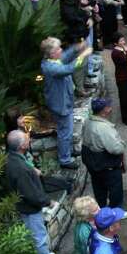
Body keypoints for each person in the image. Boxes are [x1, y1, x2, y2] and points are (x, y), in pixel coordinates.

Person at [6, 130, 66, 254]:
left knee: (37, 235)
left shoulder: (12, 159)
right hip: (29, 208)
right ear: (21, 146)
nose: (29, 139)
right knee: (39, 237)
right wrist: (48, 201)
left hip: (24, 206)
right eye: (26, 139)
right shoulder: (20, 168)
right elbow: (30, 193)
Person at [41, 37, 92, 170]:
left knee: (66, 130)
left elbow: (65, 56)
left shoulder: (53, 60)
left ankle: (68, 151)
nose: (61, 50)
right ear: (52, 53)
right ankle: (65, 159)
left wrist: (76, 48)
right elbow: (70, 68)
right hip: (60, 105)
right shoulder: (51, 67)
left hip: (64, 101)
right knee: (65, 132)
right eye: (58, 49)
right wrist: (83, 55)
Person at [82, 98, 127, 208]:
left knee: (98, 187)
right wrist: (122, 144)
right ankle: (115, 211)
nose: (111, 108)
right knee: (115, 189)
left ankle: (101, 208)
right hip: (107, 165)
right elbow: (116, 149)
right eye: (108, 107)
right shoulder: (103, 128)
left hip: (93, 163)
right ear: (103, 111)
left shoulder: (88, 121)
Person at [109, 34, 127, 126]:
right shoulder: (115, 53)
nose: (123, 42)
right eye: (121, 41)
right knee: (124, 98)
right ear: (116, 43)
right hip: (122, 78)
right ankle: (125, 118)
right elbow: (126, 60)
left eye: (123, 40)